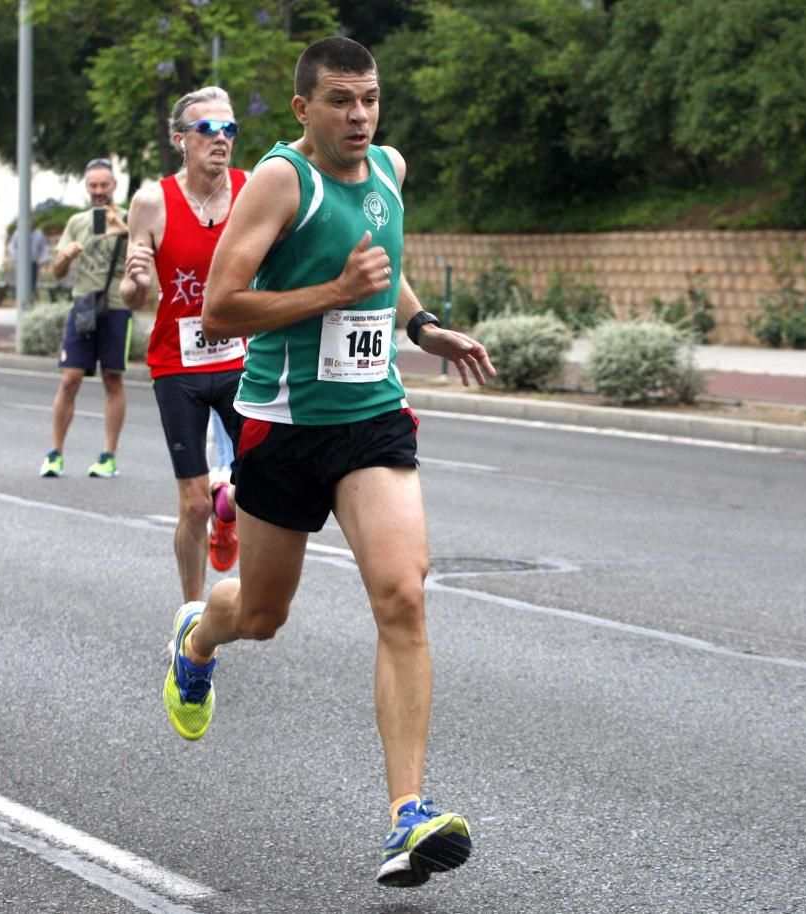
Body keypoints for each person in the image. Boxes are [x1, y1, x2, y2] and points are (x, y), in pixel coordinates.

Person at [162, 38, 497, 888]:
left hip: (372, 418)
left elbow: (382, 263)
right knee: (263, 616)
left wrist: (420, 328)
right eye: (341, 101)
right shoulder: (281, 181)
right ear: (304, 107)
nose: (359, 116)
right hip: (282, 424)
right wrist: (334, 296)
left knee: (403, 594)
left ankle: (407, 817)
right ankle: (199, 638)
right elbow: (222, 308)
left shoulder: (388, 166)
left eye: (370, 99)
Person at [121, 86, 245, 597]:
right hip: (178, 365)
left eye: (229, 129)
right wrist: (138, 283)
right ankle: (192, 613)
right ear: (181, 139)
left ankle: (231, 508)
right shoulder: (153, 201)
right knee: (193, 504)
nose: (220, 140)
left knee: (260, 487)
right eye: (207, 129)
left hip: (244, 359)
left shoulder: (252, 189)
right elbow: (131, 296)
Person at [39, 158, 130, 479]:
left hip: (117, 305)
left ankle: (108, 455)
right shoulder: (77, 222)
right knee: (69, 379)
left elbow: (151, 257)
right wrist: (65, 257)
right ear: (86, 187)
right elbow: (58, 271)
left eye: (104, 185)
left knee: (112, 378)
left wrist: (125, 231)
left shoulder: (130, 218)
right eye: (93, 185)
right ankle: (55, 454)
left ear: (114, 185)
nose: (98, 191)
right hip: (83, 304)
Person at [9, 225, 50, 298]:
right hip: (21, 264)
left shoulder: (39, 234)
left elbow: (43, 247)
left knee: (32, 283)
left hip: (33, 263)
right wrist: (16, 258)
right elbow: (13, 247)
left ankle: (30, 299)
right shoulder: (18, 233)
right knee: (21, 282)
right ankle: (21, 299)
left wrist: (45, 259)